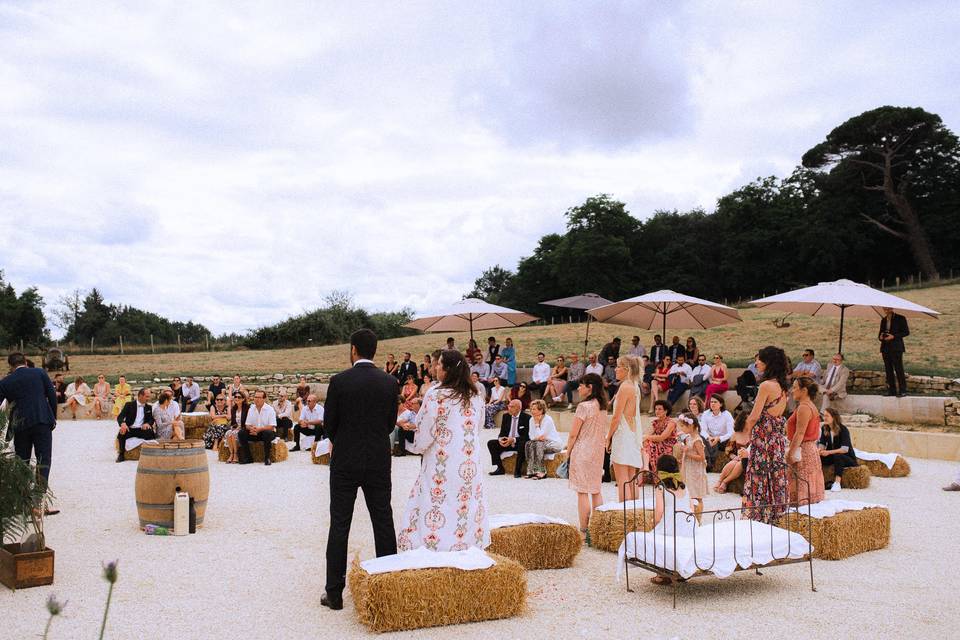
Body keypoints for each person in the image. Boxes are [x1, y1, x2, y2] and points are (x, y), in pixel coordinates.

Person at [323, 329, 399, 610]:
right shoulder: (390, 382)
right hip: (378, 460)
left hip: (345, 461)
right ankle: (389, 588)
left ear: (354, 349)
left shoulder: (339, 381)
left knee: (340, 524)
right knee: (383, 521)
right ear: (375, 351)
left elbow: (328, 425)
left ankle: (334, 593)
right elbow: (390, 423)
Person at [398, 349, 489, 552]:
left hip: (443, 460)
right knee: (465, 504)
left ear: (446, 370)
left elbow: (425, 429)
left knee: (437, 501)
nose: (435, 367)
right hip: (468, 460)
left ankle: (436, 547)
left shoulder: (436, 394)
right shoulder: (476, 394)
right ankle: (466, 544)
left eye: (438, 364)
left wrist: (418, 447)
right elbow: (478, 427)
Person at [0, 353, 58, 512]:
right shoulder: (39, 372)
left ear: (10, 366)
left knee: (23, 462)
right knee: (43, 461)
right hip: (41, 421)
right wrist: (52, 417)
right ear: (25, 362)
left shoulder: (5, 382)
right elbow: (52, 395)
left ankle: (23, 502)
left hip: (20, 427)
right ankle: (38, 503)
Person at [742, 346, 790, 524]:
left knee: (760, 477)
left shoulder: (766, 385)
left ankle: (759, 517)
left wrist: (746, 433)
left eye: (759, 360)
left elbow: (754, 416)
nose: (756, 363)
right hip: (776, 441)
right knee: (775, 476)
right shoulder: (783, 386)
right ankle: (775, 515)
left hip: (763, 440)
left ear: (768, 363)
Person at [567, 373, 608, 540]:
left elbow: (573, 434)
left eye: (581, 385)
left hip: (583, 450)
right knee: (596, 490)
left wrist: (568, 452)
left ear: (590, 387)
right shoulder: (602, 405)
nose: (578, 388)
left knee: (582, 492)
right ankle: (599, 527)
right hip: (597, 451)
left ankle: (584, 529)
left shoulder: (584, 407)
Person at [647, 454, 696, 586]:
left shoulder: (661, 487)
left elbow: (659, 513)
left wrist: (654, 524)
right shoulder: (684, 486)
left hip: (671, 526)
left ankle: (662, 575)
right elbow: (691, 508)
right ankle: (682, 572)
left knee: (654, 540)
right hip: (689, 526)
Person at [606, 356, 643, 502]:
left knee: (622, 479)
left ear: (626, 369)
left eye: (618, 366)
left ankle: (624, 513)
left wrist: (608, 437)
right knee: (631, 477)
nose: (615, 369)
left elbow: (616, 417)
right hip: (632, 433)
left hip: (623, 433)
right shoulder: (634, 386)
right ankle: (635, 513)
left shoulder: (624, 387)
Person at [787, 377, 825, 505]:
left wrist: (790, 452)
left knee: (802, 481)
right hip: (809, 448)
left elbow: (800, 433)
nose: (792, 391)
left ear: (804, 390)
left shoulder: (804, 407)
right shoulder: (810, 406)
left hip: (803, 450)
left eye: (795, 387)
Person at [487, 399, 530, 477]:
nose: (509, 408)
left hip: (518, 443)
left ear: (518, 408)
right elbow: (502, 432)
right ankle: (500, 468)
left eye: (511, 407)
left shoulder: (527, 418)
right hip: (507, 442)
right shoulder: (506, 416)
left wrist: (513, 439)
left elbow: (527, 436)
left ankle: (517, 470)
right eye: (508, 406)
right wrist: (501, 439)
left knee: (522, 444)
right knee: (491, 443)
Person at [819, 408, 858, 492]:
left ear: (834, 417)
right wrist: (820, 451)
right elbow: (822, 444)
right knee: (818, 457)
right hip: (833, 457)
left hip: (847, 458)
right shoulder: (824, 428)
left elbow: (844, 449)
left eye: (827, 416)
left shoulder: (843, 429)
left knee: (838, 456)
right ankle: (819, 480)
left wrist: (828, 452)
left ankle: (837, 483)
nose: (824, 418)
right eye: (823, 416)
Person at [677, 413, 707, 519]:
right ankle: (692, 515)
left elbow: (702, 457)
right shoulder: (689, 437)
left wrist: (687, 453)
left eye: (682, 426)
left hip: (696, 471)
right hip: (689, 469)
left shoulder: (697, 440)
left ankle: (698, 518)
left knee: (697, 495)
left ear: (690, 426)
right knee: (690, 493)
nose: (681, 428)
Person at [523, 399, 563, 480]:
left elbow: (541, 435)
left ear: (541, 410)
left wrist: (537, 424)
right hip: (540, 442)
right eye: (531, 409)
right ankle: (532, 471)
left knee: (538, 445)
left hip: (554, 443)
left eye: (534, 409)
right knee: (529, 444)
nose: (531, 411)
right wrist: (537, 438)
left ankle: (542, 472)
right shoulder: (531, 419)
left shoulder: (548, 419)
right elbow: (531, 435)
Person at [713, 412, 751, 493]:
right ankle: (720, 480)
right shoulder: (736, 434)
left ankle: (725, 482)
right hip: (737, 458)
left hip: (749, 459)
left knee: (739, 463)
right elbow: (728, 450)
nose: (750, 421)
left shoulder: (754, 433)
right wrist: (734, 456)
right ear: (742, 421)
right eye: (748, 420)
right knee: (734, 462)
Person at [238, 390, 278, 466]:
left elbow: (272, 426)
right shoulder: (251, 409)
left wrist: (260, 429)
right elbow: (247, 425)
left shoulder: (270, 409)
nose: (257, 399)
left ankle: (267, 458)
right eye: (255, 397)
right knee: (241, 433)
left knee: (267, 433)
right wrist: (251, 429)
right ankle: (248, 457)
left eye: (259, 397)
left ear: (264, 399)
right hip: (254, 432)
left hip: (266, 433)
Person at [116, 388, 156, 462]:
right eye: (147, 396)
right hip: (130, 429)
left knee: (150, 432)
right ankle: (121, 454)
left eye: (149, 396)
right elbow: (120, 416)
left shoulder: (149, 407)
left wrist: (147, 423)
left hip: (141, 429)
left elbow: (151, 419)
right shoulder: (129, 405)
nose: (148, 398)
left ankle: (150, 453)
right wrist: (123, 423)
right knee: (122, 432)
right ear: (140, 396)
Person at [643, 400, 677, 484]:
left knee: (649, 444)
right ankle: (646, 469)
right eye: (655, 409)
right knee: (646, 444)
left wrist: (647, 437)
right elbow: (646, 434)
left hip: (668, 444)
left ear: (666, 411)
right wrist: (646, 438)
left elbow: (662, 437)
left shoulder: (671, 422)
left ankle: (648, 472)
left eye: (659, 409)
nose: (657, 411)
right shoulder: (655, 422)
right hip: (656, 443)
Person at [879, 307, 910, 397]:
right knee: (888, 370)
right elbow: (880, 333)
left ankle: (902, 390)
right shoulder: (883, 320)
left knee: (898, 369)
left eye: (888, 309)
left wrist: (894, 336)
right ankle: (891, 390)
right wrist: (881, 337)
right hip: (885, 348)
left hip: (896, 348)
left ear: (892, 308)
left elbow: (906, 332)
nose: (886, 311)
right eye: (884, 309)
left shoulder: (900, 318)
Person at [699, 395, 735, 469]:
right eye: (711, 402)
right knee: (701, 436)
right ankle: (708, 461)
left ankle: (711, 462)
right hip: (710, 439)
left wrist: (719, 438)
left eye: (715, 402)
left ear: (721, 404)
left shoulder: (727, 414)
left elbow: (731, 432)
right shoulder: (706, 413)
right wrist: (708, 437)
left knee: (715, 442)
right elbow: (703, 430)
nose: (712, 404)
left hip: (724, 441)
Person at [223, 392, 249, 463]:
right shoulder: (233, 409)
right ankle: (231, 454)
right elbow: (233, 423)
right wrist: (234, 427)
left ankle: (236, 455)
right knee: (229, 433)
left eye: (239, 397)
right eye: (235, 397)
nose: (236, 398)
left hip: (244, 429)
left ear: (243, 399)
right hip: (236, 428)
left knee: (234, 433)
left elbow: (248, 421)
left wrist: (240, 427)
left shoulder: (247, 408)